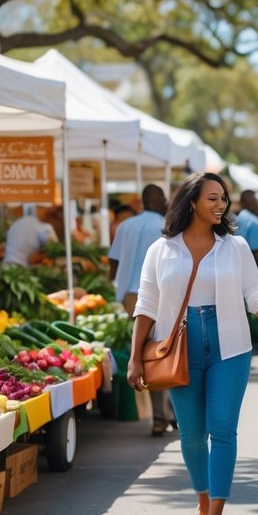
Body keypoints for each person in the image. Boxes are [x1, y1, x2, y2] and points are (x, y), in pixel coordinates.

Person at [128, 172, 258, 515]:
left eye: (223, 199)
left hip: (229, 345)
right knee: (192, 434)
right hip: (178, 347)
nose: (221, 205)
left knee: (222, 429)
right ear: (192, 201)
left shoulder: (236, 247)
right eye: (213, 198)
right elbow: (145, 306)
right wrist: (135, 357)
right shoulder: (160, 250)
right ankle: (201, 504)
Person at [109, 185, 176, 436]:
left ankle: (161, 416)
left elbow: (113, 262)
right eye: (163, 197)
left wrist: (112, 291)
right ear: (156, 199)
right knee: (165, 351)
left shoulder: (125, 226)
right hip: (158, 294)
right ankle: (168, 413)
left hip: (129, 296)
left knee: (147, 353)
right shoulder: (165, 225)